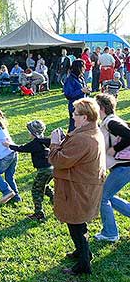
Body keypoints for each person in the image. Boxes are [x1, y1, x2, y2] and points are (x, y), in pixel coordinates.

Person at [49, 97, 106, 276]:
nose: (73, 116)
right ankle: (82, 253)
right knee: (77, 223)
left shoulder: (84, 138)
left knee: (76, 225)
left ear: (85, 117)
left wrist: (54, 143)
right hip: (83, 187)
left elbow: (58, 160)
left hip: (78, 189)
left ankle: (83, 265)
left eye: (76, 114)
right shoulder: (91, 132)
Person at [94, 93, 130, 242]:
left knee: (102, 198)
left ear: (101, 108)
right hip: (122, 167)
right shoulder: (108, 121)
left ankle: (110, 233)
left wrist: (115, 149)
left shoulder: (111, 122)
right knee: (106, 195)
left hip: (125, 167)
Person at [3, 120, 54, 220]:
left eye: (29, 131)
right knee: (43, 185)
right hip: (51, 169)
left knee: (36, 190)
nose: (28, 133)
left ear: (33, 133)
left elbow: (22, 148)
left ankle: (39, 213)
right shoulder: (44, 140)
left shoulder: (35, 143)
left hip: (43, 170)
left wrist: (9, 145)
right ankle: (55, 200)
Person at [63, 59, 90, 132]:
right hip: (74, 107)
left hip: (83, 106)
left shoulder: (81, 78)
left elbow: (84, 90)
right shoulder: (70, 79)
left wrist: (87, 91)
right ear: (78, 68)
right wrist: (81, 91)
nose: (85, 68)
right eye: (83, 66)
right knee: (74, 127)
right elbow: (68, 95)